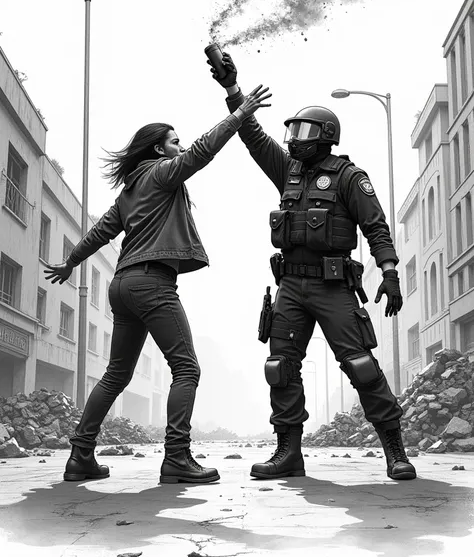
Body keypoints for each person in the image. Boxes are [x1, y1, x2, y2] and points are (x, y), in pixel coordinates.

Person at [44, 81, 271, 484]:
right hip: (151, 282)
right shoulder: (163, 175)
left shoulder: (129, 192)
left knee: (116, 373)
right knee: (187, 368)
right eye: (174, 142)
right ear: (158, 149)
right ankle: (177, 458)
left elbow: (101, 233)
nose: (180, 148)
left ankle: (80, 457)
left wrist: (70, 263)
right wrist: (240, 114)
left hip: (122, 286)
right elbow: (203, 151)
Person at [207, 52, 416, 482]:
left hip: (333, 287)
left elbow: (376, 227)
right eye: (292, 130)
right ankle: (288, 452)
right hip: (290, 288)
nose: (293, 139)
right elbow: (251, 135)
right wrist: (232, 88)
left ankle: (395, 450)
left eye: (303, 131)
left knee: (359, 365)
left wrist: (391, 272)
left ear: (326, 136)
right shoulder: (289, 171)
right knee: (280, 367)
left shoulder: (347, 177)